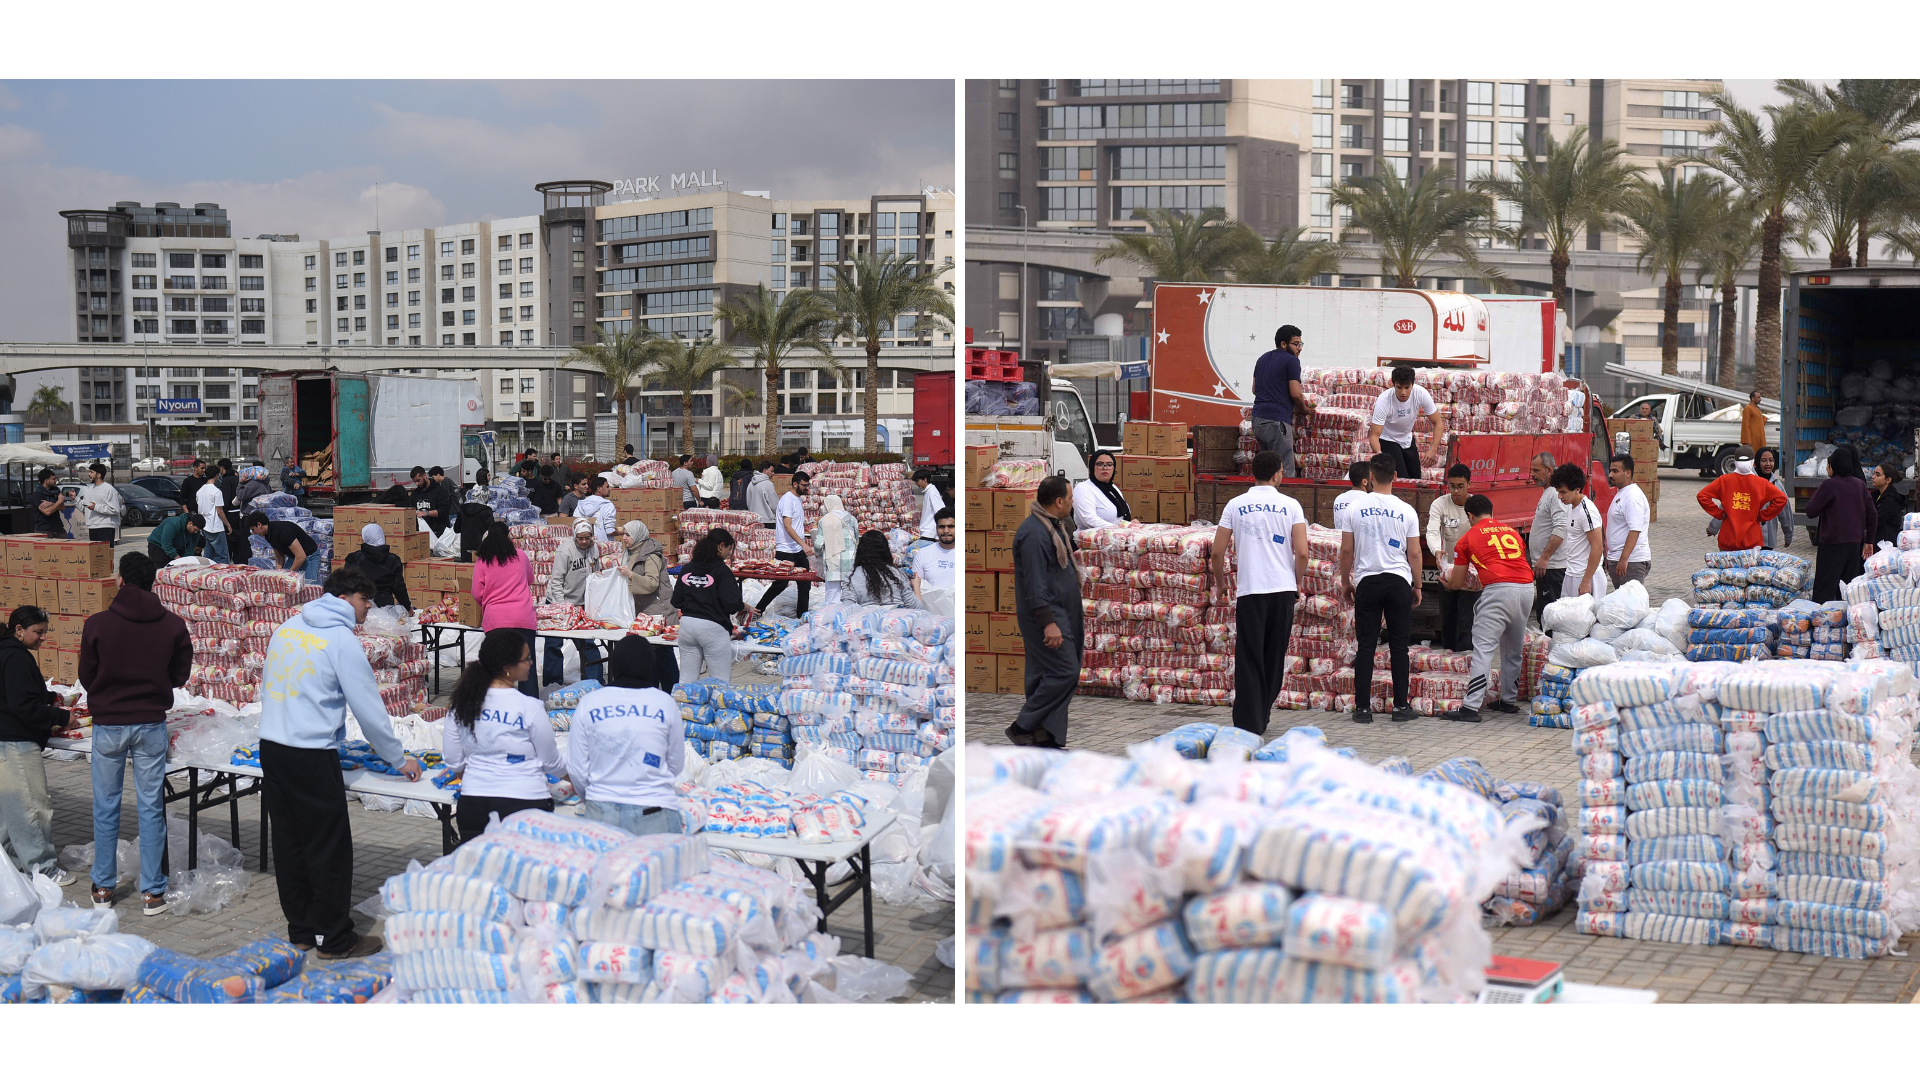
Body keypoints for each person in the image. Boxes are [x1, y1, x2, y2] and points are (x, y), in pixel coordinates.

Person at [258, 568, 421, 958]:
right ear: (348, 598)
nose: (369, 609)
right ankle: (335, 939)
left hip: (273, 746)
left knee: (290, 843)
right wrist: (398, 758)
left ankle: (300, 931)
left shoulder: (289, 626)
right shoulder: (340, 641)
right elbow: (369, 709)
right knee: (327, 848)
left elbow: (269, 681)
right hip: (311, 753)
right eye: (367, 600)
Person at [80, 552, 191, 912]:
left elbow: (87, 675)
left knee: (106, 806)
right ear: (153, 582)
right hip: (150, 722)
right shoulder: (173, 625)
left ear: (121, 580)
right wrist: (158, 685)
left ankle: (103, 888)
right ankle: (153, 892)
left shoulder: (97, 623)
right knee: (150, 807)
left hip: (109, 723)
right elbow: (179, 673)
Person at [1211, 450, 1308, 736]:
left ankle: (1248, 721)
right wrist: (1297, 581)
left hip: (1250, 591)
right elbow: (1301, 552)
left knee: (1249, 656)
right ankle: (1262, 713)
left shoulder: (1235, 505)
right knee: (1274, 655)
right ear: (1278, 473)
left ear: (1253, 473)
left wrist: (1221, 583)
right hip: (1282, 590)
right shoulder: (1291, 506)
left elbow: (1217, 552)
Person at [442, 629, 563, 846]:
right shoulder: (530, 707)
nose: (532, 663)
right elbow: (551, 762)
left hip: (474, 804)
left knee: (479, 874)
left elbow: (453, 760)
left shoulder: (461, 703)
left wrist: (482, 773)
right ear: (508, 667)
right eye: (526, 658)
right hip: (526, 804)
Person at [568, 636, 684, 836]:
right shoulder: (664, 703)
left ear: (615, 664)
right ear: (650, 665)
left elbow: (577, 768)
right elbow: (675, 764)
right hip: (654, 811)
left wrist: (596, 798)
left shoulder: (590, 702)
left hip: (601, 812)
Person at [1339, 455, 1422, 724]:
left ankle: (1362, 709)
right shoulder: (1406, 510)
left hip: (1368, 581)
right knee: (1399, 646)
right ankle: (1400, 707)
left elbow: (1347, 549)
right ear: (1395, 476)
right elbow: (1415, 553)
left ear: (1371, 477)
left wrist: (1345, 581)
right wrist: (1417, 585)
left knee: (1366, 646)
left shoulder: (1355, 508)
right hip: (1398, 581)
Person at [0, 606, 76, 886]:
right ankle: (43, 870)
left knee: (10, 810)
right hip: (17, 742)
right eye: (38, 632)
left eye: (45, 632)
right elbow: (24, 706)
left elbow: (18, 692)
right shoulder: (16, 657)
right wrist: (63, 718)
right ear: (19, 630)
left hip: (6, 740)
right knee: (30, 806)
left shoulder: (7, 653)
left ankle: (13, 864)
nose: (42, 638)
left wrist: (54, 697)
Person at [1440, 496, 1533, 724]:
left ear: (1470, 516)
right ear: (1492, 512)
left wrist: (1447, 582)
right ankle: (1508, 701)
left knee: (1483, 649)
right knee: (1513, 648)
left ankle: (1470, 707)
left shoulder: (1467, 538)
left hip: (1498, 591)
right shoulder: (1512, 533)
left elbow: (1458, 580)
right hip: (1527, 588)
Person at [1005, 476, 1081, 749]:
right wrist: (1048, 623)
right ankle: (1023, 725)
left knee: (1043, 673)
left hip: (1063, 610)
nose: (1073, 503)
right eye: (1070, 498)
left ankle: (1044, 733)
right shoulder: (1034, 534)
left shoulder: (1054, 526)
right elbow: (1035, 584)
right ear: (1059, 501)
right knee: (1066, 671)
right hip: (1047, 613)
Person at [471, 521, 540, 696]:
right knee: (526, 666)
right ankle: (530, 708)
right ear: (508, 536)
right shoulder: (521, 555)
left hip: (496, 620)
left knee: (499, 668)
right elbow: (530, 579)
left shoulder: (483, 560)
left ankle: (499, 706)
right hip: (523, 618)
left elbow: (477, 593)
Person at [1805, 444, 1877, 602]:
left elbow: (1811, 511)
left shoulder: (1829, 485)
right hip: (1854, 544)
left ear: (1832, 466)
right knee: (1848, 588)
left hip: (1832, 544)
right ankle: (1846, 620)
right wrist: (1869, 541)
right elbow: (1872, 514)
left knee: (1825, 587)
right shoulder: (1860, 484)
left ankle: (1821, 622)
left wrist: (1821, 490)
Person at [672, 528, 745, 682]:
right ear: (721, 546)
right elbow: (732, 604)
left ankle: (681, 705)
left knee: (686, 680)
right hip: (713, 628)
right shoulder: (722, 571)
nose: (728, 554)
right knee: (720, 681)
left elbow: (676, 601)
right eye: (729, 549)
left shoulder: (687, 568)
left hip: (688, 627)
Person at [616, 521, 677, 691]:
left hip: (658, 610)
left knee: (663, 655)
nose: (624, 538)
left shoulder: (651, 555)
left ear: (638, 536)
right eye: (624, 534)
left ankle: (671, 693)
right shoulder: (629, 553)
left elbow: (651, 583)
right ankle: (652, 691)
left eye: (628, 535)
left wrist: (630, 575)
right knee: (649, 655)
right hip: (644, 612)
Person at [543, 520, 606, 685]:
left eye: (587, 538)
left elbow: (596, 572)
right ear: (574, 536)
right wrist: (562, 607)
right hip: (560, 603)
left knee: (588, 643)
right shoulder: (565, 551)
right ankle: (552, 683)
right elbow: (556, 581)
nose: (584, 541)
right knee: (553, 644)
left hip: (580, 604)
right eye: (580, 538)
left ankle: (595, 682)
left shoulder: (593, 548)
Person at [1250, 324, 1316, 477]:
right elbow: (1295, 393)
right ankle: (1284, 499)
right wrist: (1304, 409)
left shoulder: (1262, 359)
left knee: (1268, 469)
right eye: (1296, 344)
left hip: (1257, 420)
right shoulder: (1292, 361)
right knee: (1284, 469)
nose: (1299, 348)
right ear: (1283, 344)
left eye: (1301, 344)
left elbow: (1254, 389)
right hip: (1276, 422)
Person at [1426, 463, 1477, 652]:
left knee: (1467, 622)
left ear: (1469, 484)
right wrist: (1436, 550)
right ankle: (1448, 661)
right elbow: (1432, 531)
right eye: (1452, 486)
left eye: (1460, 486)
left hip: (1471, 574)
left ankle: (1465, 660)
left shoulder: (1477, 505)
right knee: (1447, 620)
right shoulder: (1439, 503)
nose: (1455, 491)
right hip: (1447, 571)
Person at [1368, 365, 1447, 482]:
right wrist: (1380, 454)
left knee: (1415, 479)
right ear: (1393, 384)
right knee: (1402, 479)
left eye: (1407, 387)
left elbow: (1438, 423)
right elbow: (1374, 435)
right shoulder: (1384, 401)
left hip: (1407, 438)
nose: (1403, 392)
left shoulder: (1421, 393)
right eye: (1399, 387)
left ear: (1412, 384)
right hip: (1388, 439)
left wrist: (1433, 449)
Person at [1696, 453, 1788, 551]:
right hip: (1752, 540)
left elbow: (1702, 496)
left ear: (1735, 462)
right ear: (1752, 463)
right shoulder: (1761, 483)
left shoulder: (1724, 480)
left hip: (1728, 539)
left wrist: (1720, 514)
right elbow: (1782, 498)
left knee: (1727, 566)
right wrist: (1762, 516)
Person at [758, 470, 814, 618]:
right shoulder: (788, 500)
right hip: (786, 550)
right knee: (780, 585)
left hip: (797, 550)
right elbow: (787, 525)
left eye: (808, 485)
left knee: (805, 584)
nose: (806, 488)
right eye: (804, 485)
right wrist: (804, 544)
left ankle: (802, 616)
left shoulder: (797, 499)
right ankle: (758, 610)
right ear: (795, 484)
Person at [1551, 464, 1607, 600]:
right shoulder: (1571, 507)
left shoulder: (1587, 511)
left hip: (1586, 576)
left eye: (1563, 492)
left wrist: (1586, 581)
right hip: (1571, 573)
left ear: (1577, 489)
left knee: (1585, 619)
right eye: (1558, 492)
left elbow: (1598, 548)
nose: (1559, 496)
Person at [1528, 452, 1570, 627]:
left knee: (1550, 618)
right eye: (1531, 469)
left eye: (1536, 470)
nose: (1532, 474)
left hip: (1552, 568)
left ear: (1549, 470)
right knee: (1544, 616)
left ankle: (1551, 651)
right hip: (1546, 568)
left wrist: (1544, 558)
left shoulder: (1555, 494)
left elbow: (1561, 528)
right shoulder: (1548, 492)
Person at [1602, 453, 1653, 589]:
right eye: (1610, 470)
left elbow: (1635, 530)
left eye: (1615, 471)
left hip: (1631, 563)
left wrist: (1624, 559)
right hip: (1620, 560)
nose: (1610, 475)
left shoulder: (1632, 497)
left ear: (1627, 473)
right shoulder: (1622, 493)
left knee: (1630, 607)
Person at [344, 524, 411, 611]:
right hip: (386, 610)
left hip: (361, 609)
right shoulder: (393, 560)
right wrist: (407, 607)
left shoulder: (354, 558)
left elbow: (347, 585)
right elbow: (399, 588)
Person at [244, 510, 323, 584]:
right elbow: (279, 557)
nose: (253, 533)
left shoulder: (283, 532)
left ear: (259, 525)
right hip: (294, 557)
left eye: (253, 529)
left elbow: (301, 557)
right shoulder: (268, 535)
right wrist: (278, 574)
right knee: (283, 582)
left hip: (309, 556)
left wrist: (289, 574)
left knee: (308, 586)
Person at [849, 532, 917, 607]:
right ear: (886, 550)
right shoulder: (898, 574)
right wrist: (916, 585)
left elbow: (848, 607)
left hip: (866, 617)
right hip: (895, 617)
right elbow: (915, 606)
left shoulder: (852, 576)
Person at [813, 494, 858, 605]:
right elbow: (856, 538)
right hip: (851, 560)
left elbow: (818, 543)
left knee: (832, 597)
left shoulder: (824, 520)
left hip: (832, 561)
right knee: (850, 594)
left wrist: (817, 553)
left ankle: (833, 617)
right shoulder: (851, 518)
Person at [1073, 450, 1133, 530]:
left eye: (1109, 465)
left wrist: (1130, 525)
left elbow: (1121, 518)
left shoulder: (1113, 489)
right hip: (1092, 540)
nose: (1105, 468)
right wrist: (1120, 528)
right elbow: (1088, 520)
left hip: (1116, 538)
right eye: (1100, 464)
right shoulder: (1083, 489)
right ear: (1092, 467)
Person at [1753, 448, 1795, 551]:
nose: (1768, 464)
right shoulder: (1748, 481)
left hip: (1768, 540)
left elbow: (1785, 511)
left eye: (1771, 460)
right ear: (1757, 462)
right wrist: (1714, 527)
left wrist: (1788, 534)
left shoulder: (1776, 483)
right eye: (1764, 460)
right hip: (1750, 539)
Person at [913, 507, 957, 602]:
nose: (946, 531)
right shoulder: (923, 553)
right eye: (941, 527)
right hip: (932, 613)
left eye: (951, 526)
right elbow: (916, 585)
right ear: (936, 529)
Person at [78, 461, 122, 545]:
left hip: (106, 527)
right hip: (92, 527)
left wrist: (96, 507)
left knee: (105, 555)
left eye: (91, 472)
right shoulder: (89, 489)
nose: (89, 474)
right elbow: (85, 509)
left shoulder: (109, 489)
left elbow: (115, 509)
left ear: (99, 475)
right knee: (96, 557)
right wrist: (75, 499)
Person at [196, 466, 232, 562]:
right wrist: (228, 525)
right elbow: (220, 511)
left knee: (209, 555)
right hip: (215, 526)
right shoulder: (216, 492)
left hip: (205, 527)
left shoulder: (200, 491)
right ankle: (223, 575)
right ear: (216, 475)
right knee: (222, 556)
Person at [1870, 461, 1909, 549]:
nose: (1873, 477)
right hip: (1877, 541)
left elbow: (1876, 520)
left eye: (1878, 475)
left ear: (1888, 480)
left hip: (1886, 545)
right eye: (1874, 474)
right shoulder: (1877, 495)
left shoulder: (1891, 500)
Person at [574, 475, 616, 544]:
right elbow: (610, 531)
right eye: (607, 487)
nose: (609, 489)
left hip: (583, 545)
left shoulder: (581, 505)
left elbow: (575, 524)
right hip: (602, 547)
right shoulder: (607, 505)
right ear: (599, 488)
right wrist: (623, 531)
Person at [31, 468, 68, 539]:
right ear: (46, 481)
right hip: (44, 530)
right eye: (53, 479)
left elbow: (62, 507)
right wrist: (58, 502)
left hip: (58, 528)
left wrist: (52, 503)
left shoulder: (55, 491)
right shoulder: (38, 494)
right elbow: (47, 512)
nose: (55, 481)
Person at [913, 467, 947, 540]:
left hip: (930, 533)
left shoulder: (932, 492)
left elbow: (940, 511)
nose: (916, 483)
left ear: (925, 480)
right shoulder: (928, 492)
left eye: (917, 481)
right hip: (926, 531)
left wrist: (939, 534)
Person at [747, 460, 778, 530]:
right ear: (765, 471)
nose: (773, 473)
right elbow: (774, 504)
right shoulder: (768, 484)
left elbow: (748, 501)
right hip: (767, 520)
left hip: (753, 520)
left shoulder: (751, 483)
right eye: (772, 471)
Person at [1740, 390, 1768, 457]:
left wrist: (1765, 418)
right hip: (1753, 439)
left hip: (1760, 438)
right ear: (1752, 398)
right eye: (1758, 397)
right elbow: (1745, 425)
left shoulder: (1757, 408)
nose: (1760, 399)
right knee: (1753, 456)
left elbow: (1758, 420)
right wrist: (1747, 441)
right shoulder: (1748, 409)